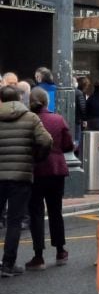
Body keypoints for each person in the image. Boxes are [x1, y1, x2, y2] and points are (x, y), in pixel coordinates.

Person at [0, 85, 53, 276]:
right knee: (14, 221)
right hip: (21, 175)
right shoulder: (30, 118)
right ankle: (8, 264)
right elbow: (46, 141)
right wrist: (36, 157)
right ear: (20, 99)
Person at [26, 88, 72, 270]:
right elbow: (68, 144)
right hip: (56, 168)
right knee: (55, 211)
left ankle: (38, 255)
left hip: (35, 169)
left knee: (35, 213)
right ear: (46, 102)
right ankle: (60, 250)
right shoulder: (58, 119)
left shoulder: (28, 120)